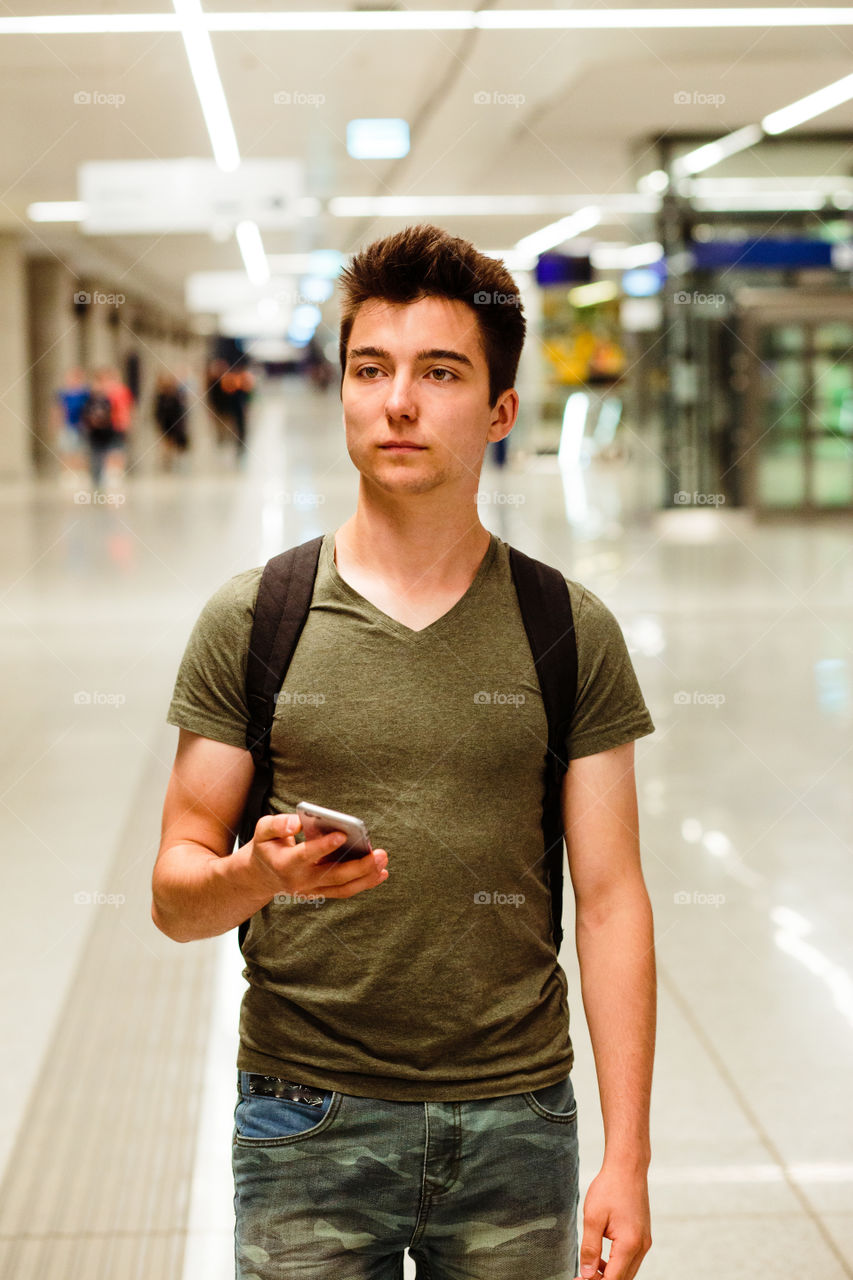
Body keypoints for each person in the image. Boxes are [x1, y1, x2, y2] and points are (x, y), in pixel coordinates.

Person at [153, 224, 656, 1280]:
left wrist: (629, 1155)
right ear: (340, 390)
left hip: (517, 1117)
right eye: (370, 369)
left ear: (501, 410)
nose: (398, 401)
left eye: (440, 372)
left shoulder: (569, 629)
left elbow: (610, 899)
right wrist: (257, 872)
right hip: (303, 1117)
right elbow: (175, 890)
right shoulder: (256, 618)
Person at [153, 372, 189, 470]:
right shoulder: (160, 397)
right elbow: (157, 412)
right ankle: (167, 463)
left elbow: (179, 411)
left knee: (176, 444)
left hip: (175, 424)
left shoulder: (176, 396)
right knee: (166, 446)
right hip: (165, 424)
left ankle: (177, 463)